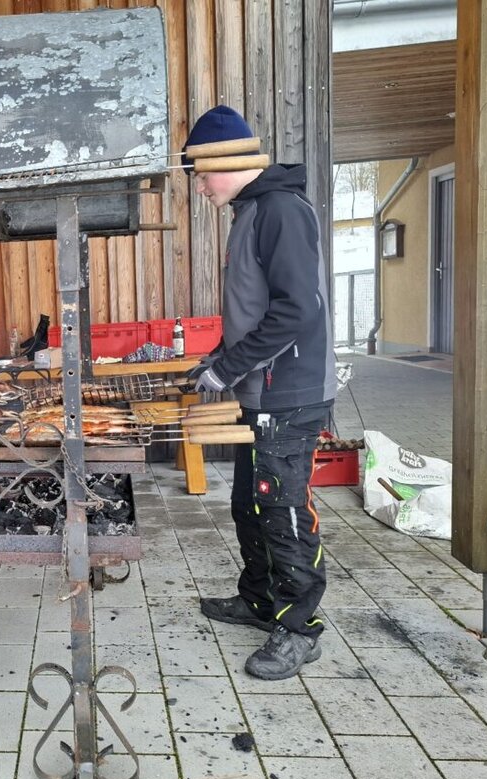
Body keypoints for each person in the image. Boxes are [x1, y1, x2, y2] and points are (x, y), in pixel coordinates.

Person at [184, 106, 336, 681]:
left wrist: (228, 370)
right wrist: (219, 361)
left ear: (233, 160)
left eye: (203, 172)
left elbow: (296, 311)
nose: (199, 185)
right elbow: (252, 312)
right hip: (262, 390)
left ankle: (299, 629)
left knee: (281, 509)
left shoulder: (280, 210)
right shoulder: (250, 211)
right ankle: (258, 601)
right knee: (247, 501)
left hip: (290, 392)